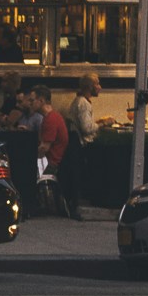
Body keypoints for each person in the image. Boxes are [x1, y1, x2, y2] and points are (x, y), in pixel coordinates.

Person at [62, 75, 100, 217]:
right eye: (97, 83)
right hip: (80, 146)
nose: (100, 87)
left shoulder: (79, 101)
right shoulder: (83, 104)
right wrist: (102, 124)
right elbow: (86, 128)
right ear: (89, 87)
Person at [36, 84, 71, 216]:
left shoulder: (50, 119)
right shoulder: (54, 117)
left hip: (51, 163)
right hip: (55, 160)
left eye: (32, 101)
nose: (30, 104)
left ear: (41, 101)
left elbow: (44, 148)